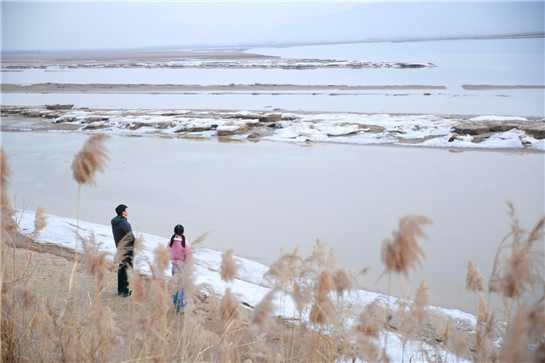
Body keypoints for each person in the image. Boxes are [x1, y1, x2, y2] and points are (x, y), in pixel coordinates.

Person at [111, 204, 135, 297]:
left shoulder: (114, 222)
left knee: (121, 268)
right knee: (128, 269)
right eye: (126, 210)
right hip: (127, 248)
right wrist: (134, 245)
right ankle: (126, 291)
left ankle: (120, 290)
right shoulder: (124, 223)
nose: (127, 212)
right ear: (123, 212)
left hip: (120, 247)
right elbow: (131, 236)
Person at [167, 224, 191, 313]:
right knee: (182, 287)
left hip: (174, 266)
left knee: (175, 286)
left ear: (174, 232)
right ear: (183, 232)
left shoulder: (171, 242)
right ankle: (181, 307)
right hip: (182, 266)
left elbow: (167, 252)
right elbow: (190, 256)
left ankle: (175, 304)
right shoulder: (185, 243)